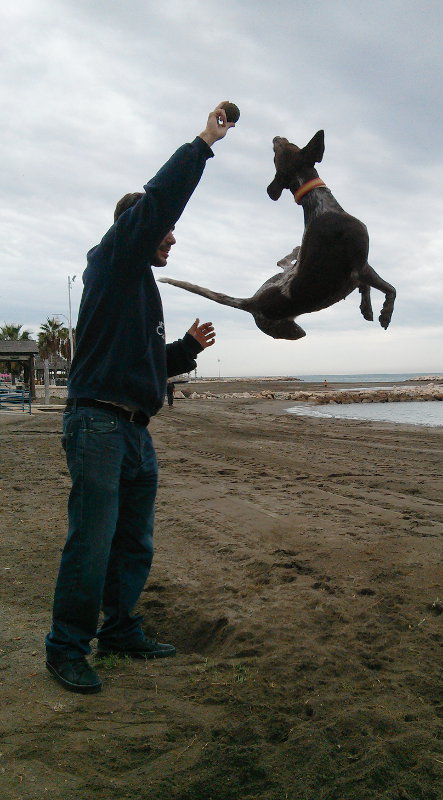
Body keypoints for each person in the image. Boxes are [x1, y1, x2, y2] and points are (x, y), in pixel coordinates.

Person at [45, 102, 235, 694]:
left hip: (133, 430)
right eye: (163, 231)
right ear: (137, 230)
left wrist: (184, 350)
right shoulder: (112, 259)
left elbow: (147, 366)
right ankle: (67, 647)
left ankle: (121, 627)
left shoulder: (139, 289)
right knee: (92, 539)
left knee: (133, 541)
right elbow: (160, 200)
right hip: (97, 425)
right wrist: (205, 141)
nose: (171, 238)